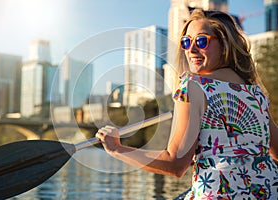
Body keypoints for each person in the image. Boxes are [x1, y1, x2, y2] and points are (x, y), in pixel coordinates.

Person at [96, 9, 278, 199]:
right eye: (186, 42)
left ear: (224, 44)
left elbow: (175, 164)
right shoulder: (255, 92)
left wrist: (117, 149)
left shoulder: (194, 86)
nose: (190, 50)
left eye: (201, 41)